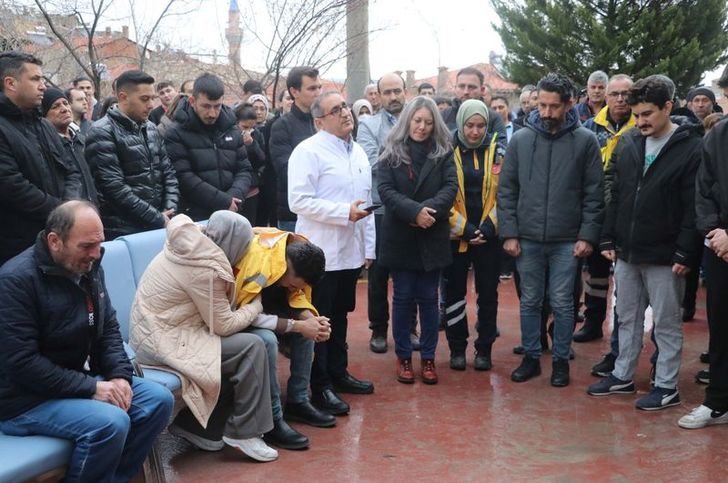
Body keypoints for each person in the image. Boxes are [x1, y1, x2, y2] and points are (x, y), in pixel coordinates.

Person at [0, 201, 174, 481]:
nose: (96, 253)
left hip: (76, 380)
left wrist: (119, 376)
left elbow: (107, 328)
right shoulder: (16, 281)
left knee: (158, 400)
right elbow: (22, 364)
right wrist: (90, 387)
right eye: (86, 246)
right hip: (26, 400)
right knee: (110, 423)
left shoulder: (89, 265)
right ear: (55, 241)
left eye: (99, 243)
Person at [588, 76, 702, 411]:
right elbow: (618, 194)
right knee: (627, 317)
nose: (640, 122)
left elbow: (694, 206)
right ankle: (622, 375)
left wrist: (685, 250)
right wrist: (608, 236)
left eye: (647, 114)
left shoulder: (691, 149)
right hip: (627, 250)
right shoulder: (631, 144)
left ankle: (666, 386)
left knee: (666, 323)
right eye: (636, 115)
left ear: (668, 107)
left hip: (666, 255)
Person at [130, 211, 278, 461]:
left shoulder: (191, 246)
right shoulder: (205, 267)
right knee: (251, 347)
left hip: (158, 332)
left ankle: (199, 428)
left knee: (246, 349)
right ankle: (245, 433)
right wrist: (255, 306)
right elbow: (224, 325)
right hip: (164, 343)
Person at [498, 73, 604, 387]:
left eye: (553, 106)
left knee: (562, 302)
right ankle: (531, 357)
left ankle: (560, 361)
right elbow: (507, 190)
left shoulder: (585, 141)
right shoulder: (521, 140)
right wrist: (510, 232)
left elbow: (594, 194)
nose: (545, 112)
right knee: (530, 300)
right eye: (541, 105)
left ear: (569, 104)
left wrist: (587, 236)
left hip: (567, 240)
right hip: (527, 237)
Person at [288, 91, 376, 413]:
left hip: (351, 251)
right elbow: (298, 200)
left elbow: (367, 202)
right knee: (320, 318)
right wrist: (342, 213)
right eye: (335, 110)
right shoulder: (307, 151)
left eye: (345, 106)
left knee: (340, 315)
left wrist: (369, 247)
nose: (345, 113)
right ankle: (319, 385)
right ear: (319, 122)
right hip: (319, 251)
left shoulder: (359, 152)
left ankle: (339, 373)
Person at [378, 95, 457, 384]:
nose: (422, 127)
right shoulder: (390, 150)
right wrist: (414, 212)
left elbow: (451, 187)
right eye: (417, 120)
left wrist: (427, 212)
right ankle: (403, 356)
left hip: (432, 233)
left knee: (429, 299)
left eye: (428, 122)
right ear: (407, 120)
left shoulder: (443, 151)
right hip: (401, 234)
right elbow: (385, 190)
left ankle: (428, 357)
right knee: (402, 298)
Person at [233, 225, 337, 446]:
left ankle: (298, 400)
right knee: (267, 340)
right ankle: (273, 417)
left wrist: (312, 320)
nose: (292, 288)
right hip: (238, 317)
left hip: (267, 311)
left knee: (308, 330)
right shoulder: (258, 267)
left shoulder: (297, 253)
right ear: (285, 268)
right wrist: (298, 326)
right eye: (291, 284)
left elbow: (296, 295)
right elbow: (245, 315)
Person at [358, 73, 420, 353]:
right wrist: (409, 169)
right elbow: (372, 162)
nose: (393, 97)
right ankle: (379, 329)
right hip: (381, 207)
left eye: (397, 91)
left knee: (411, 271)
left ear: (405, 91)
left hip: (413, 208)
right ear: (378, 96)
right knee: (379, 273)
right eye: (387, 92)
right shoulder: (368, 125)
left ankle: (409, 328)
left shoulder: (419, 122)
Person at [0, 51, 81, 265]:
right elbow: (12, 187)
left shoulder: (44, 125)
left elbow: (71, 169)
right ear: (11, 83)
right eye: (35, 79)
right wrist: (61, 212)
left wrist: (69, 206)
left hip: (57, 236)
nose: (43, 86)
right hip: (18, 247)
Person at [577, 74, 636, 346]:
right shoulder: (589, 128)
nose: (620, 99)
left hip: (629, 215)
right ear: (606, 97)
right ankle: (592, 323)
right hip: (597, 213)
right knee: (596, 273)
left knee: (627, 277)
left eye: (626, 94)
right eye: (615, 94)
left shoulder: (641, 127)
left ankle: (623, 332)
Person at [679, 105, 728, 429]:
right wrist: (715, 231)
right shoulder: (719, 135)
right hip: (720, 248)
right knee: (721, 326)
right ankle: (718, 402)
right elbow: (704, 188)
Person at [85, 70, 179, 239]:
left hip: (161, 221)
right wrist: (157, 217)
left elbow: (168, 172)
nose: (151, 105)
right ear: (123, 97)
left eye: (152, 98)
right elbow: (114, 188)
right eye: (144, 99)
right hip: (124, 229)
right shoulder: (102, 132)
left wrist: (169, 209)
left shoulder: (151, 128)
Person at [444, 99, 501, 371]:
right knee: (454, 294)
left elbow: (507, 192)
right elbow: (441, 194)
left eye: (481, 126)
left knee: (488, 294)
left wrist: (489, 227)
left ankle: (484, 349)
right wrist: (464, 229)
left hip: (489, 236)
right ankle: (457, 348)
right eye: (469, 125)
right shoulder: (446, 151)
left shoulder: (499, 151)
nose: (475, 132)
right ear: (460, 124)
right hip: (456, 236)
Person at [164, 73, 253, 223]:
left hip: (232, 212)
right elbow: (183, 176)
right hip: (195, 217)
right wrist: (222, 201)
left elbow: (244, 169)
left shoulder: (231, 129)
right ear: (192, 101)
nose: (212, 113)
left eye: (217, 106)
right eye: (206, 106)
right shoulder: (176, 132)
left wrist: (233, 198)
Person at [269, 66, 321, 232]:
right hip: (294, 215)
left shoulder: (325, 123)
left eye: (319, 87)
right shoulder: (282, 126)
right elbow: (287, 170)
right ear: (294, 91)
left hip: (326, 209)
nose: (318, 93)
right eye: (312, 89)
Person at [42, 87, 98, 205]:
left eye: (65, 103)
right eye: (55, 106)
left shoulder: (82, 140)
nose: (64, 109)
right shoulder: (47, 147)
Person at [440, 67, 507, 154]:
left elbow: (501, 150)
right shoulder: (443, 116)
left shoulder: (494, 118)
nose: (466, 92)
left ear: (482, 90)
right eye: (461, 86)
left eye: (471, 87)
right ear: (455, 88)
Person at [233, 103, 266, 224]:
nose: (247, 131)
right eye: (244, 127)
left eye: (251, 128)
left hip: (251, 188)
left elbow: (262, 159)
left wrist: (252, 145)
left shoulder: (256, 134)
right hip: (233, 187)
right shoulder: (230, 134)